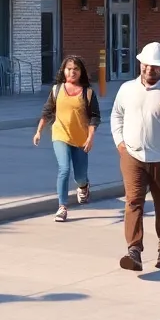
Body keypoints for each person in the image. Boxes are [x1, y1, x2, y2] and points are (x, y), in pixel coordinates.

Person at [110, 41, 160, 272]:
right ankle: (134, 250)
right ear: (140, 64)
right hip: (132, 156)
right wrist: (120, 142)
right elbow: (116, 115)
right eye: (146, 65)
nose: (149, 70)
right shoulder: (127, 89)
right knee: (133, 202)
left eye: (154, 66)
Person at [33, 55, 101, 222]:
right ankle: (62, 207)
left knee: (80, 176)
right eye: (69, 69)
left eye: (76, 69)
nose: (72, 72)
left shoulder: (88, 92)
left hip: (81, 139)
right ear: (63, 71)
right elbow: (47, 111)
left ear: (81, 72)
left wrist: (90, 137)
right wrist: (39, 131)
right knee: (64, 169)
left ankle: (83, 186)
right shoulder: (57, 90)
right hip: (60, 135)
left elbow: (94, 117)